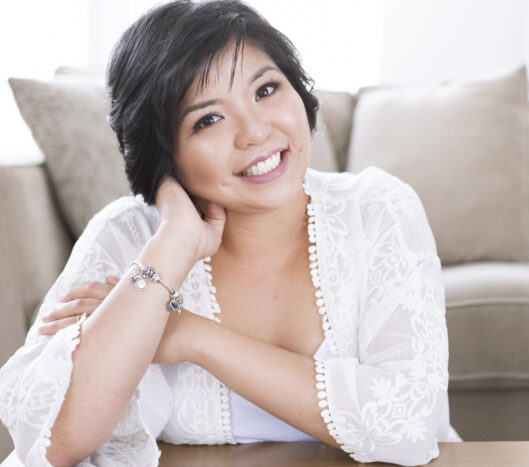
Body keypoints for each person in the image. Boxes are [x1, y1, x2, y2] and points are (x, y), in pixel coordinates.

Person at [0, 1, 461, 465]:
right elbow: (50, 444)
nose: (255, 131)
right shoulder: (128, 238)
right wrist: (175, 242)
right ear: (163, 153)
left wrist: (190, 336)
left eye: (266, 89)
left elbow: (407, 424)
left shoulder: (377, 208)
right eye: (208, 119)